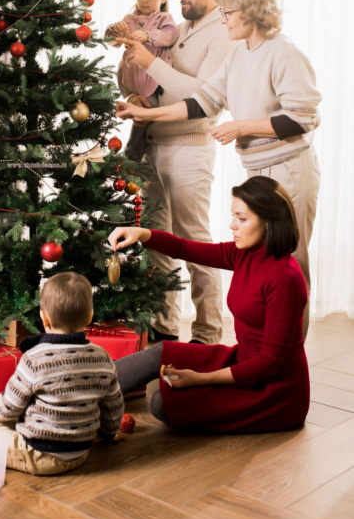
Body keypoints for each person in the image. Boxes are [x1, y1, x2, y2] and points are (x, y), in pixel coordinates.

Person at [116, 0, 320, 337]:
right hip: (258, 170)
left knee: (291, 265)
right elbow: (203, 102)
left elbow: (302, 118)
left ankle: (289, 358)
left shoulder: (283, 52)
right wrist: (147, 113)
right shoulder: (240, 51)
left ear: (251, 9)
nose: (222, 19)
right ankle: (266, 347)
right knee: (264, 265)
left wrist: (243, 126)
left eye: (227, 12)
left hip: (291, 170)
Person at [107, 176, 310, 434]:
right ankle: (73, 389)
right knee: (161, 353)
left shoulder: (286, 278)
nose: (232, 225)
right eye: (233, 216)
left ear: (269, 222)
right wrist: (142, 234)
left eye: (242, 218)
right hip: (242, 362)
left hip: (273, 390)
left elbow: (270, 363)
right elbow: (185, 248)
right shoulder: (245, 252)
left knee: (161, 404)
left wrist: (200, 378)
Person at [114, 0, 234, 345]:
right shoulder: (179, 28)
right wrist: (137, 91)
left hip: (190, 150)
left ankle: (207, 334)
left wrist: (150, 61)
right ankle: (165, 325)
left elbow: (203, 97)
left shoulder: (222, 33)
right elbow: (160, 86)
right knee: (157, 240)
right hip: (154, 145)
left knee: (195, 243)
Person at [0, 272, 124, 476]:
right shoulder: (102, 357)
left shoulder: (33, 359)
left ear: (44, 317)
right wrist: (109, 433)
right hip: (81, 452)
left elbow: (10, 407)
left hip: (38, 455)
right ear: (90, 316)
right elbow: (114, 407)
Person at [105, 0, 179, 160]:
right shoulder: (129, 20)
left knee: (143, 115)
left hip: (153, 81)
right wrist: (114, 30)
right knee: (135, 111)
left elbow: (170, 36)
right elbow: (112, 42)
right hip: (132, 79)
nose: (144, 0)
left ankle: (131, 158)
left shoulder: (164, 19)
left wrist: (148, 36)